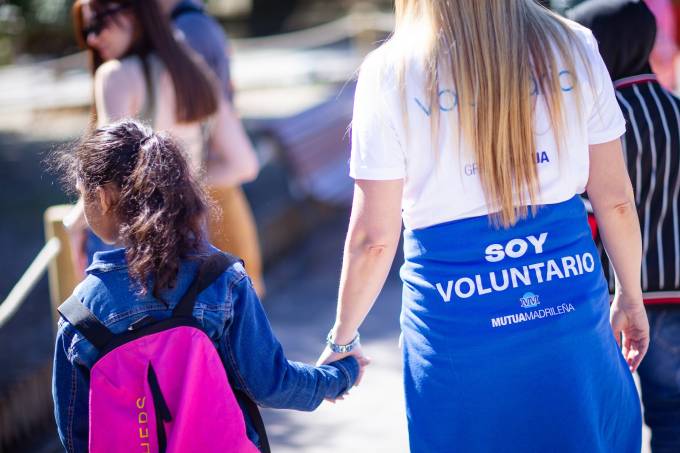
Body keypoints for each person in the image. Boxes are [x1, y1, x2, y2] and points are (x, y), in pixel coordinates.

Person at [317, 0, 649, 451]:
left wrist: (342, 338)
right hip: (567, 313)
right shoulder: (573, 44)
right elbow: (617, 201)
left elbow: (373, 240)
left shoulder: (389, 71)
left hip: (456, 333)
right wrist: (630, 295)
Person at [51, 119, 366, 452]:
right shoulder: (220, 278)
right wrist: (339, 376)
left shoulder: (80, 315)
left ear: (101, 198)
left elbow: (75, 434)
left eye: (81, 195)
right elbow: (271, 384)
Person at [71, 0, 266, 296]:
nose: (92, 39)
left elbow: (108, 176)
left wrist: (74, 225)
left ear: (133, 11)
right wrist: (179, 186)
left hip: (135, 252)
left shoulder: (116, 76)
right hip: (194, 243)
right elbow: (244, 164)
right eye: (87, 30)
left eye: (99, 23)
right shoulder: (192, 71)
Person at [568, 1, 680, 451]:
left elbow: (588, 214)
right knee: (673, 413)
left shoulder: (594, 128)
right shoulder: (677, 112)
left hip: (610, 297)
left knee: (601, 416)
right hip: (675, 294)